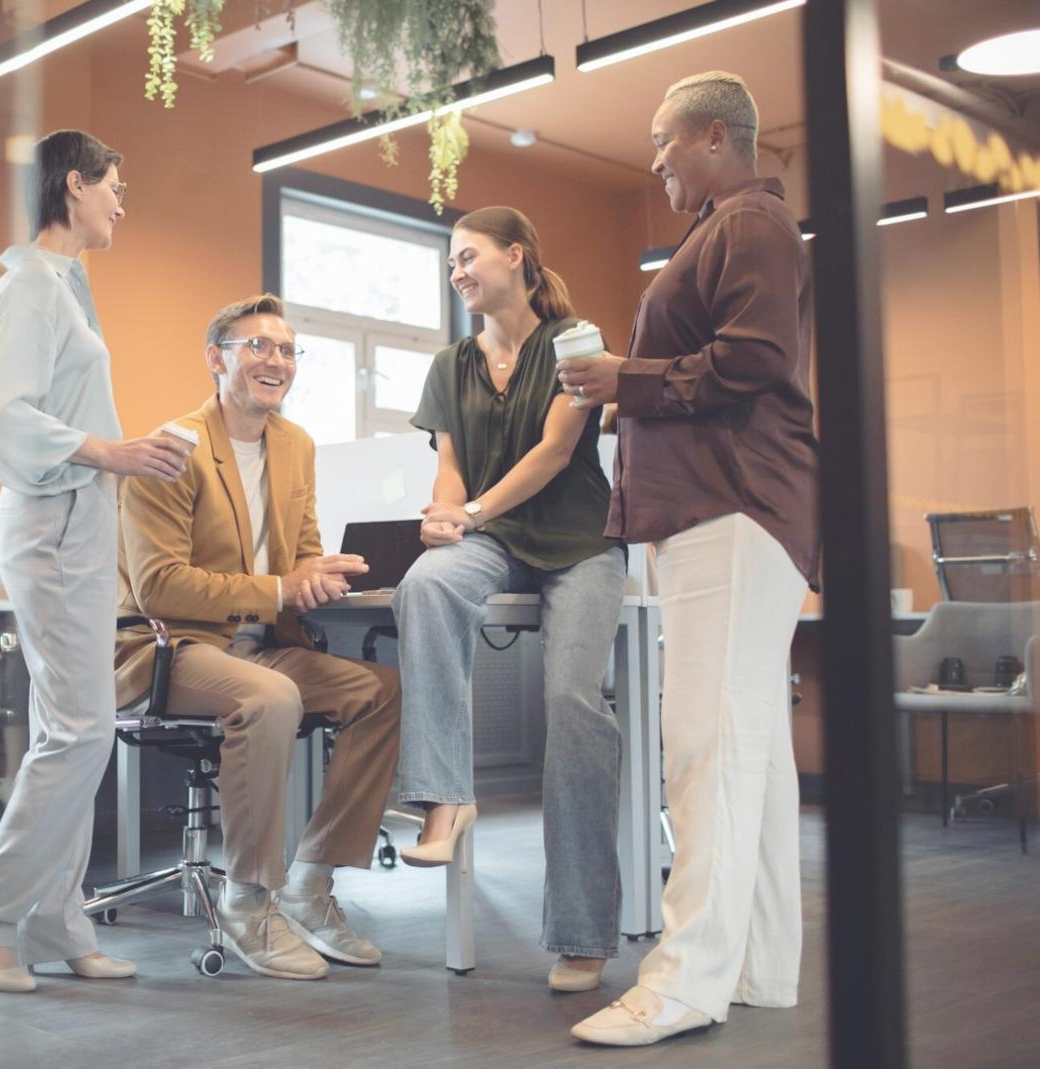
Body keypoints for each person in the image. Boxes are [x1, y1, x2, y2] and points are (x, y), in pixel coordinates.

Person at [558, 72, 820, 1046]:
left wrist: (622, 377)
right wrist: (627, 391)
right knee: (744, 744)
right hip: (734, 504)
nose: (655, 159)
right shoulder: (731, 229)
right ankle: (754, 964)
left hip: (732, 501)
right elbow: (725, 366)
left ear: (714, 136)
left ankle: (681, 982)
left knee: (703, 743)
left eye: (664, 141)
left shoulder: (746, 222)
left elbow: (752, 360)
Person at [0, 130, 194, 993]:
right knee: (83, 729)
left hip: (80, 518)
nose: (122, 201)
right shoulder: (29, 288)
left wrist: (123, 456)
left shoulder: (68, 287)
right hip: (51, 515)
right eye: (115, 185)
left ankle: (55, 917)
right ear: (74, 184)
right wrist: (111, 452)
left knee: (73, 733)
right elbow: (0, 411)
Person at [116, 294, 402, 980]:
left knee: (381, 690)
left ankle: (311, 880)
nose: (275, 360)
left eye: (286, 350)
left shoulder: (295, 446)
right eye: (257, 347)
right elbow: (159, 584)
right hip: (169, 649)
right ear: (216, 358)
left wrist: (322, 578)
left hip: (260, 645)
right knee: (270, 695)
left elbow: (299, 551)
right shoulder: (173, 448)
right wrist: (277, 587)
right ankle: (246, 898)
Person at [391, 207, 628, 993]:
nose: (457, 271)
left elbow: (558, 452)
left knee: (572, 702)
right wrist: (444, 514)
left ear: (515, 255)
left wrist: (473, 513)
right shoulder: (450, 363)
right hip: (491, 538)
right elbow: (451, 469)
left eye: (469, 256)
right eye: (451, 262)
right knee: (425, 585)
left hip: (580, 542)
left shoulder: (575, 339)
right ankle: (444, 800)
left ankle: (583, 930)